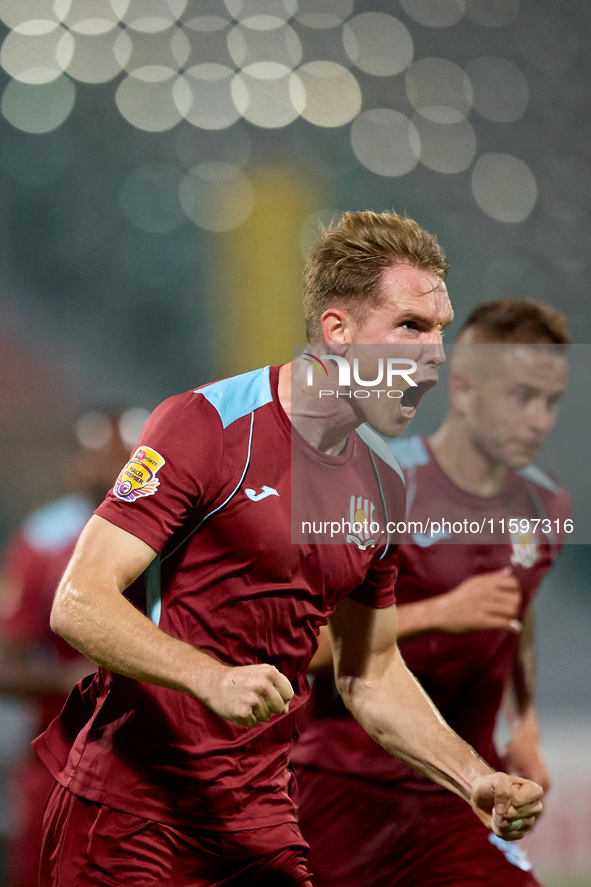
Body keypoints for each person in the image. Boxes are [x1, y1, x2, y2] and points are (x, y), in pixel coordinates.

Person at [34, 213, 543, 887]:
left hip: (260, 820)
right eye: (411, 327)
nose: (437, 352)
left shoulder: (384, 482)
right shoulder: (206, 424)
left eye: (440, 329)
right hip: (135, 812)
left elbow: (369, 669)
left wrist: (471, 775)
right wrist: (208, 675)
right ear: (337, 332)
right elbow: (78, 601)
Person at [292, 298, 570, 887]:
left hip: (462, 791)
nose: (538, 419)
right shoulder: (379, 486)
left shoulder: (547, 508)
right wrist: (439, 613)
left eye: (551, 401)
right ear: (465, 391)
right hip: (345, 786)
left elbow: (514, 616)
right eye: (521, 396)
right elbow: (302, 645)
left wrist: (525, 723)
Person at [0, 409, 141, 887]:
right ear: (75, 465)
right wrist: (69, 680)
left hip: (161, 755)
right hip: (64, 757)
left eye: (129, 458)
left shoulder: (188, 531)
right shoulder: (44, 539)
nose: (116, 470)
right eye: (102, 458)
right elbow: (6, 664)